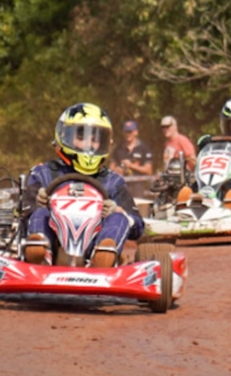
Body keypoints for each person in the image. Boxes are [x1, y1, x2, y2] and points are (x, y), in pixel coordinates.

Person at [23, 103, 144, 268]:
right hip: (54, 244)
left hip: (92, 247)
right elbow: (22, 213)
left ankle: (103, 255)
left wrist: (117, 211)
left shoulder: (112, 181)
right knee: (40, 213)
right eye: (81, 138)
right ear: (64, 135)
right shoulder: (44, 173)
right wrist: (36, 203)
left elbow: (137, 226)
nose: (88, 145)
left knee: (119, 218)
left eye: (94, 139)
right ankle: (40, 254)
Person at [109, 120, 153, 199]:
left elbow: (148, 170)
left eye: (130, 132)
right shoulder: (118, 148)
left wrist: (131, 165)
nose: (128, 134)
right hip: (122, 187)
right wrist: (116, 170)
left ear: (136, 132)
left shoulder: (143, 148)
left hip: (138, 187)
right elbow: (111, 167)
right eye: (126, 132)